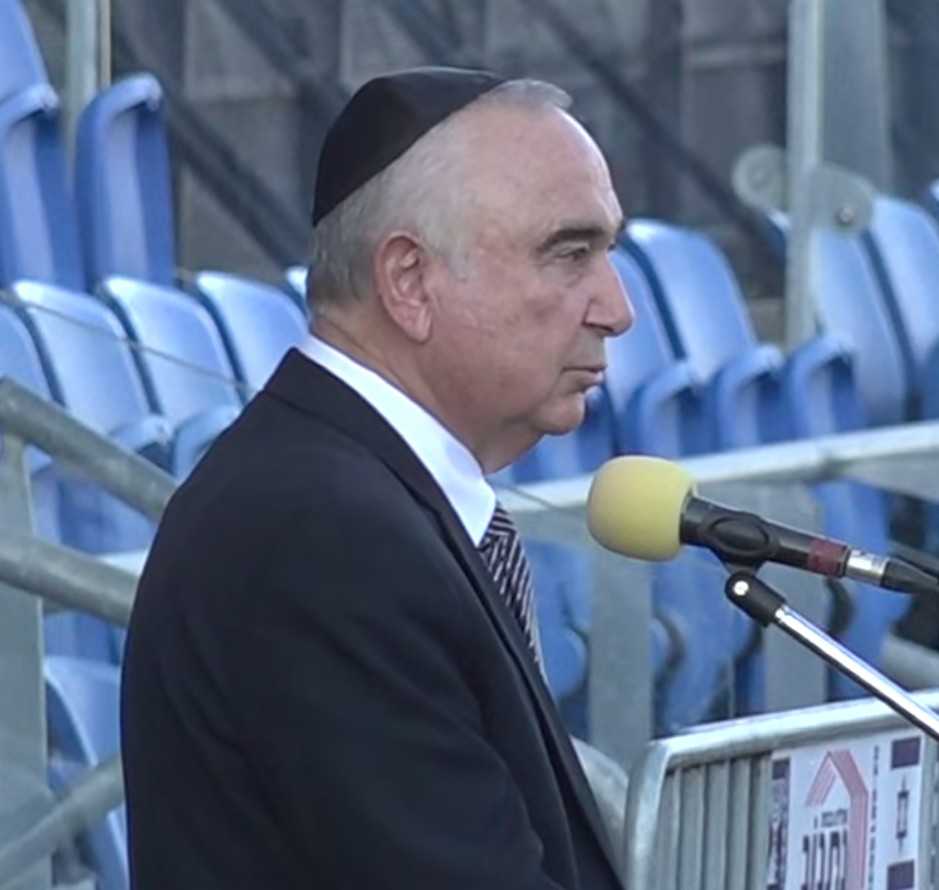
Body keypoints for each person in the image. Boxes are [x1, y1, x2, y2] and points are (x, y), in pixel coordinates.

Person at [121, 65, 633, 889]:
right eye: (570, 254)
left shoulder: (345, 497)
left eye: (609, 251)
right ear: (408, 282)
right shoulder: (323, 538)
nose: (617, 308)